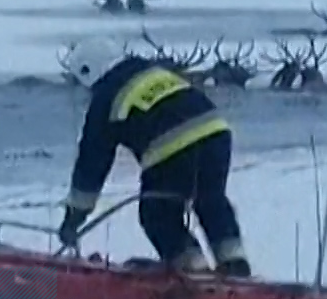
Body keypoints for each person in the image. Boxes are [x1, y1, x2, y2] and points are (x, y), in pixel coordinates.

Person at [57, 37, 253, 278]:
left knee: (158, 214)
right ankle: (235, 264)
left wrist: (74, 218)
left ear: (88, 72)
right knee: (210, 201)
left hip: (171, 145)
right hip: (215, 131)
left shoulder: (105, 96)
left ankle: (194, 271)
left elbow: (91, 164)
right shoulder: (151, 71)